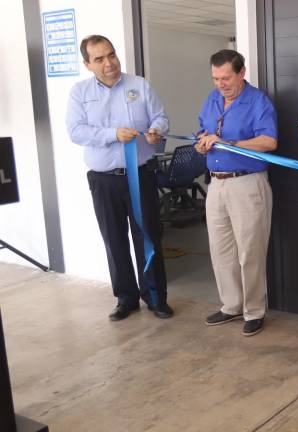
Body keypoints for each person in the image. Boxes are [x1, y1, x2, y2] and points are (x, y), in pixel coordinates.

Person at [66, 35, 173, 321]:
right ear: (88, 64)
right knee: (114, 240)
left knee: (148, 237)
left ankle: (155, 298)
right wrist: (112, 134)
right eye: (99, 59)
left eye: (111, 55)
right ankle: (126, 299)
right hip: (104, 180)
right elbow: (76, 131)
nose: (109, 63)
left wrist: (156, 130)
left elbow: (161, 118)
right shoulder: (79, 93)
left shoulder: (139, 85)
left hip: (140, 176)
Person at [195, 50, 277, 337]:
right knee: (221, 250)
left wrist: (229, 142)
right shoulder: (212, 99)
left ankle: (254, 310)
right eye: (216, 78)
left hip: (247, 183)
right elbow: (202, 130)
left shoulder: (258, 101)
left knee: (250, 251)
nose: (221, 84)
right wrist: (201, 143)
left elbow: (269, 141)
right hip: (216, 184)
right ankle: (231, 305)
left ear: (242, 73)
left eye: (226, 78)